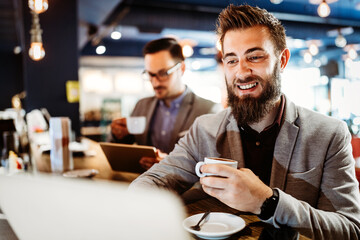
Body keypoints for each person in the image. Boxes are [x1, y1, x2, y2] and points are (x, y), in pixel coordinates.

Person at [129, 4, 360, 239]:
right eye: (231, 60)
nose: (241, 72)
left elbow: (350, 229)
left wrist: (268, 202)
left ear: (282, 60)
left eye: (255, 57)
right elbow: (156, 179)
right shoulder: (204, 129)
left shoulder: (329, 134)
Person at [109, 38, 222, 170]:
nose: (155, 82)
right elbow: (127, 147)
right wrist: (119, 135)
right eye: (151, 74)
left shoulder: (209, 110)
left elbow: (214, 163)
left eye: (163, 74)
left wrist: (170, 165)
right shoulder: (142, 105)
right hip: (143, 185)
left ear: (182, 68)